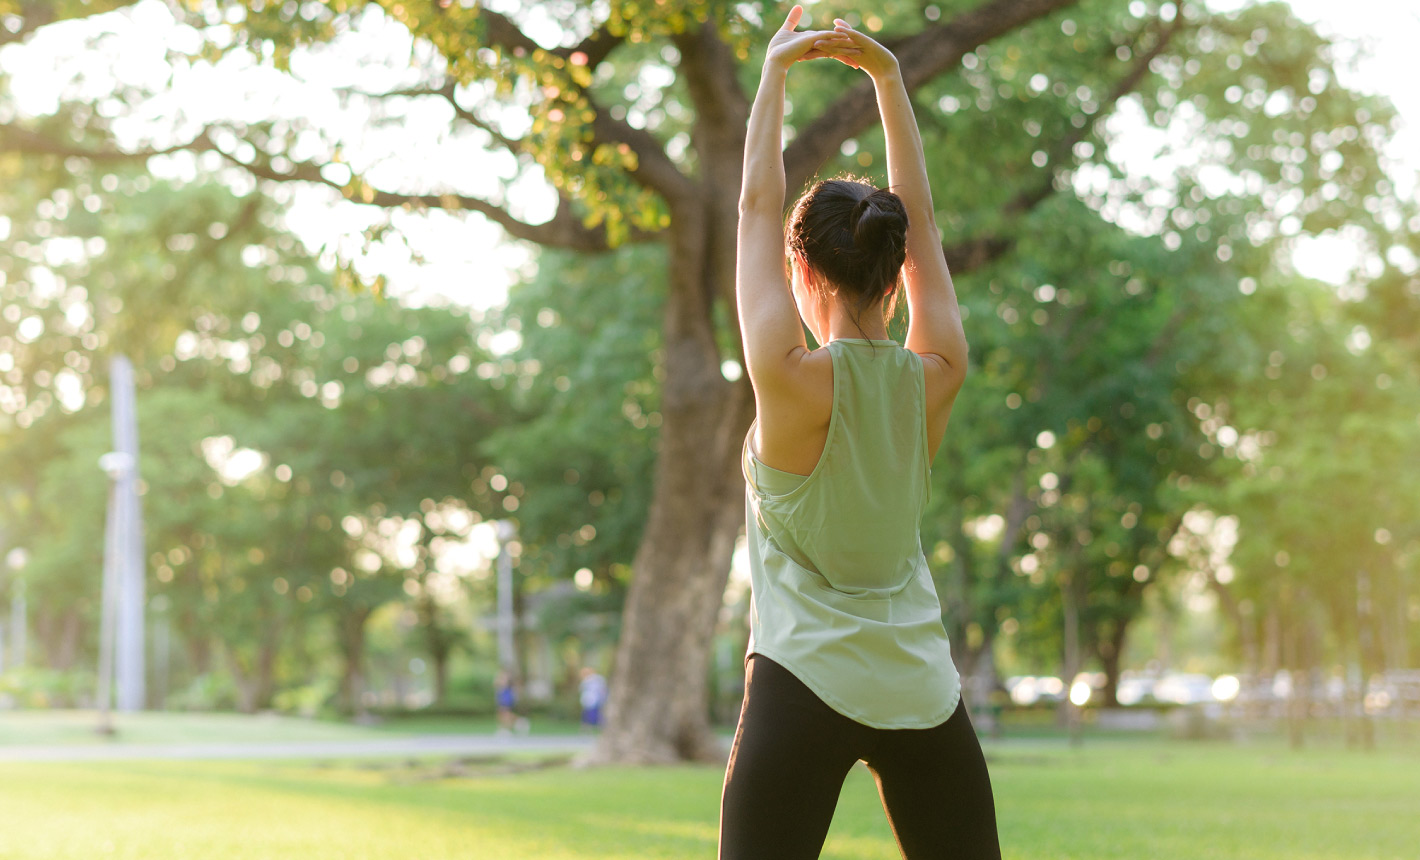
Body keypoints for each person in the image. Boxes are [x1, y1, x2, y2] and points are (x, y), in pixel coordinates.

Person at [721, 7, 1000, 859]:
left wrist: (773, 75)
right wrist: (888, 77)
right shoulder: (937, 376)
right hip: (919, 687)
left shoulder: (791, 378)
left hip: (799, 682)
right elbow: (926, 233)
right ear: (895, 268)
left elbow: (756, 206)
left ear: (802, 270)